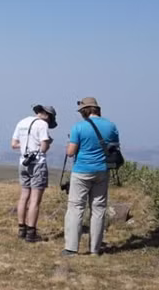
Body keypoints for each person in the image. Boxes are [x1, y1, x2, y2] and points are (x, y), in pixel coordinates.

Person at [63, 96, 120, 256]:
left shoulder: (78, 127)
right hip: (102, 170)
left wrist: (69, 143)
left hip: (81, 170)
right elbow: (114, 149)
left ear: (84, 110)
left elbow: (70, 152)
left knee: (76, 207)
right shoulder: (111, 126)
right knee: (98, 209)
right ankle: (95, 249)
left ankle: (71, 248)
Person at [10, 104, 57, 242]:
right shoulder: (42, 125)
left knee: (24, 196)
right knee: (35, 200)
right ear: (48, 115)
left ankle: (21, 229)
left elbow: (14, 144)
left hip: (23, 163)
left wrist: (26, 145)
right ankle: (31, 233)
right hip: (37, 163)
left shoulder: (22, 122)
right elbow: (43, 147)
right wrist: (45, 145)